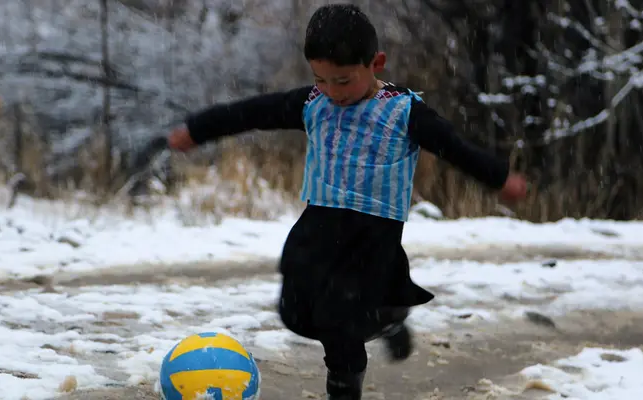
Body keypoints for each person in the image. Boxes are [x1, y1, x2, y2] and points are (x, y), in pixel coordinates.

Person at [166, 3, 528, 399]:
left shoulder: (403, 111)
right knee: (295, 311)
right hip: (319, 223)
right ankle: (388, 317)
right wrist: (198, 130)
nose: (332, 92)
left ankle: (344, 381)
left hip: (372, 235)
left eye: (342, 80)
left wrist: (497, 178)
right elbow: (250, 112)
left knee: (339, 316)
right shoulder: (312, 104)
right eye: (320, 79)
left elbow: (454, 148)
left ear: (376, 63)